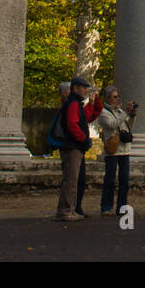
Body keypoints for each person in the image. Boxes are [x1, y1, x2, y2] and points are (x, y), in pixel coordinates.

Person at [53, 75, 102, 221]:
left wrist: (95, 103)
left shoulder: (75, 104)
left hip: (75, 146)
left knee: (73, 179)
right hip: (72, 146)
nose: (86, 91)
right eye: (84, 88)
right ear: (76, 88)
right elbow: (73, 125)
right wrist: (83, 139)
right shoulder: (73, 104)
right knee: (71, 179)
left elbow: (88, 117)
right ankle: (66, 210)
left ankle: (71, 209)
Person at [97, 85, 138, 216]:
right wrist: (126, 112)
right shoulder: (103, 113)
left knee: (124, 180)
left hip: (125, 150)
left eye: (117, 96)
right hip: (113, 151)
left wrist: (132, 115)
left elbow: (128, 127)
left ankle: (122, 206)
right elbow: (113, 125)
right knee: (110, 180)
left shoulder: (120, 112)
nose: (117, 99)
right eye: (114, 97)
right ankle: (106, 206)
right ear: (107, 99)